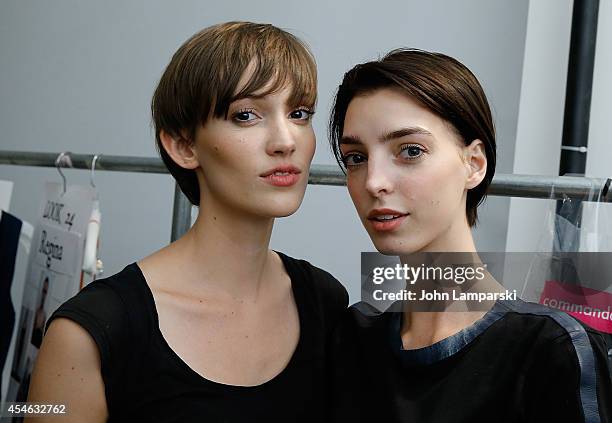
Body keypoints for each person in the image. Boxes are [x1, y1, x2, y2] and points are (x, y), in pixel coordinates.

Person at [26, 21, 347, 422]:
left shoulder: (325, 301)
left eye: (299, 113)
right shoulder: (89, 332)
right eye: (247, 115)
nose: (286, 140)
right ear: (183, 145)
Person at [328, 48, 612, 422]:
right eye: (356, 158)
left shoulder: (552, 350)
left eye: (410, 151)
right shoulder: (351, 340)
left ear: (474, 164)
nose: (374, 182)